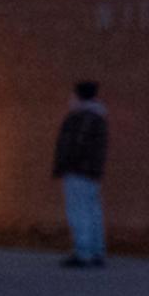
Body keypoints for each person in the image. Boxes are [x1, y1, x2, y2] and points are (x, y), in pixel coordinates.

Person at [51, 81, 109, 267]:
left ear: (79, 96)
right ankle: (96, 250)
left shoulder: (82, 118)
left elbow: (75, 144)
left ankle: (83, 252)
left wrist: (64, 164)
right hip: (91, 171)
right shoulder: (98, 117)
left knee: (79, 210)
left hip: (77, 170)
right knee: (92, 210)